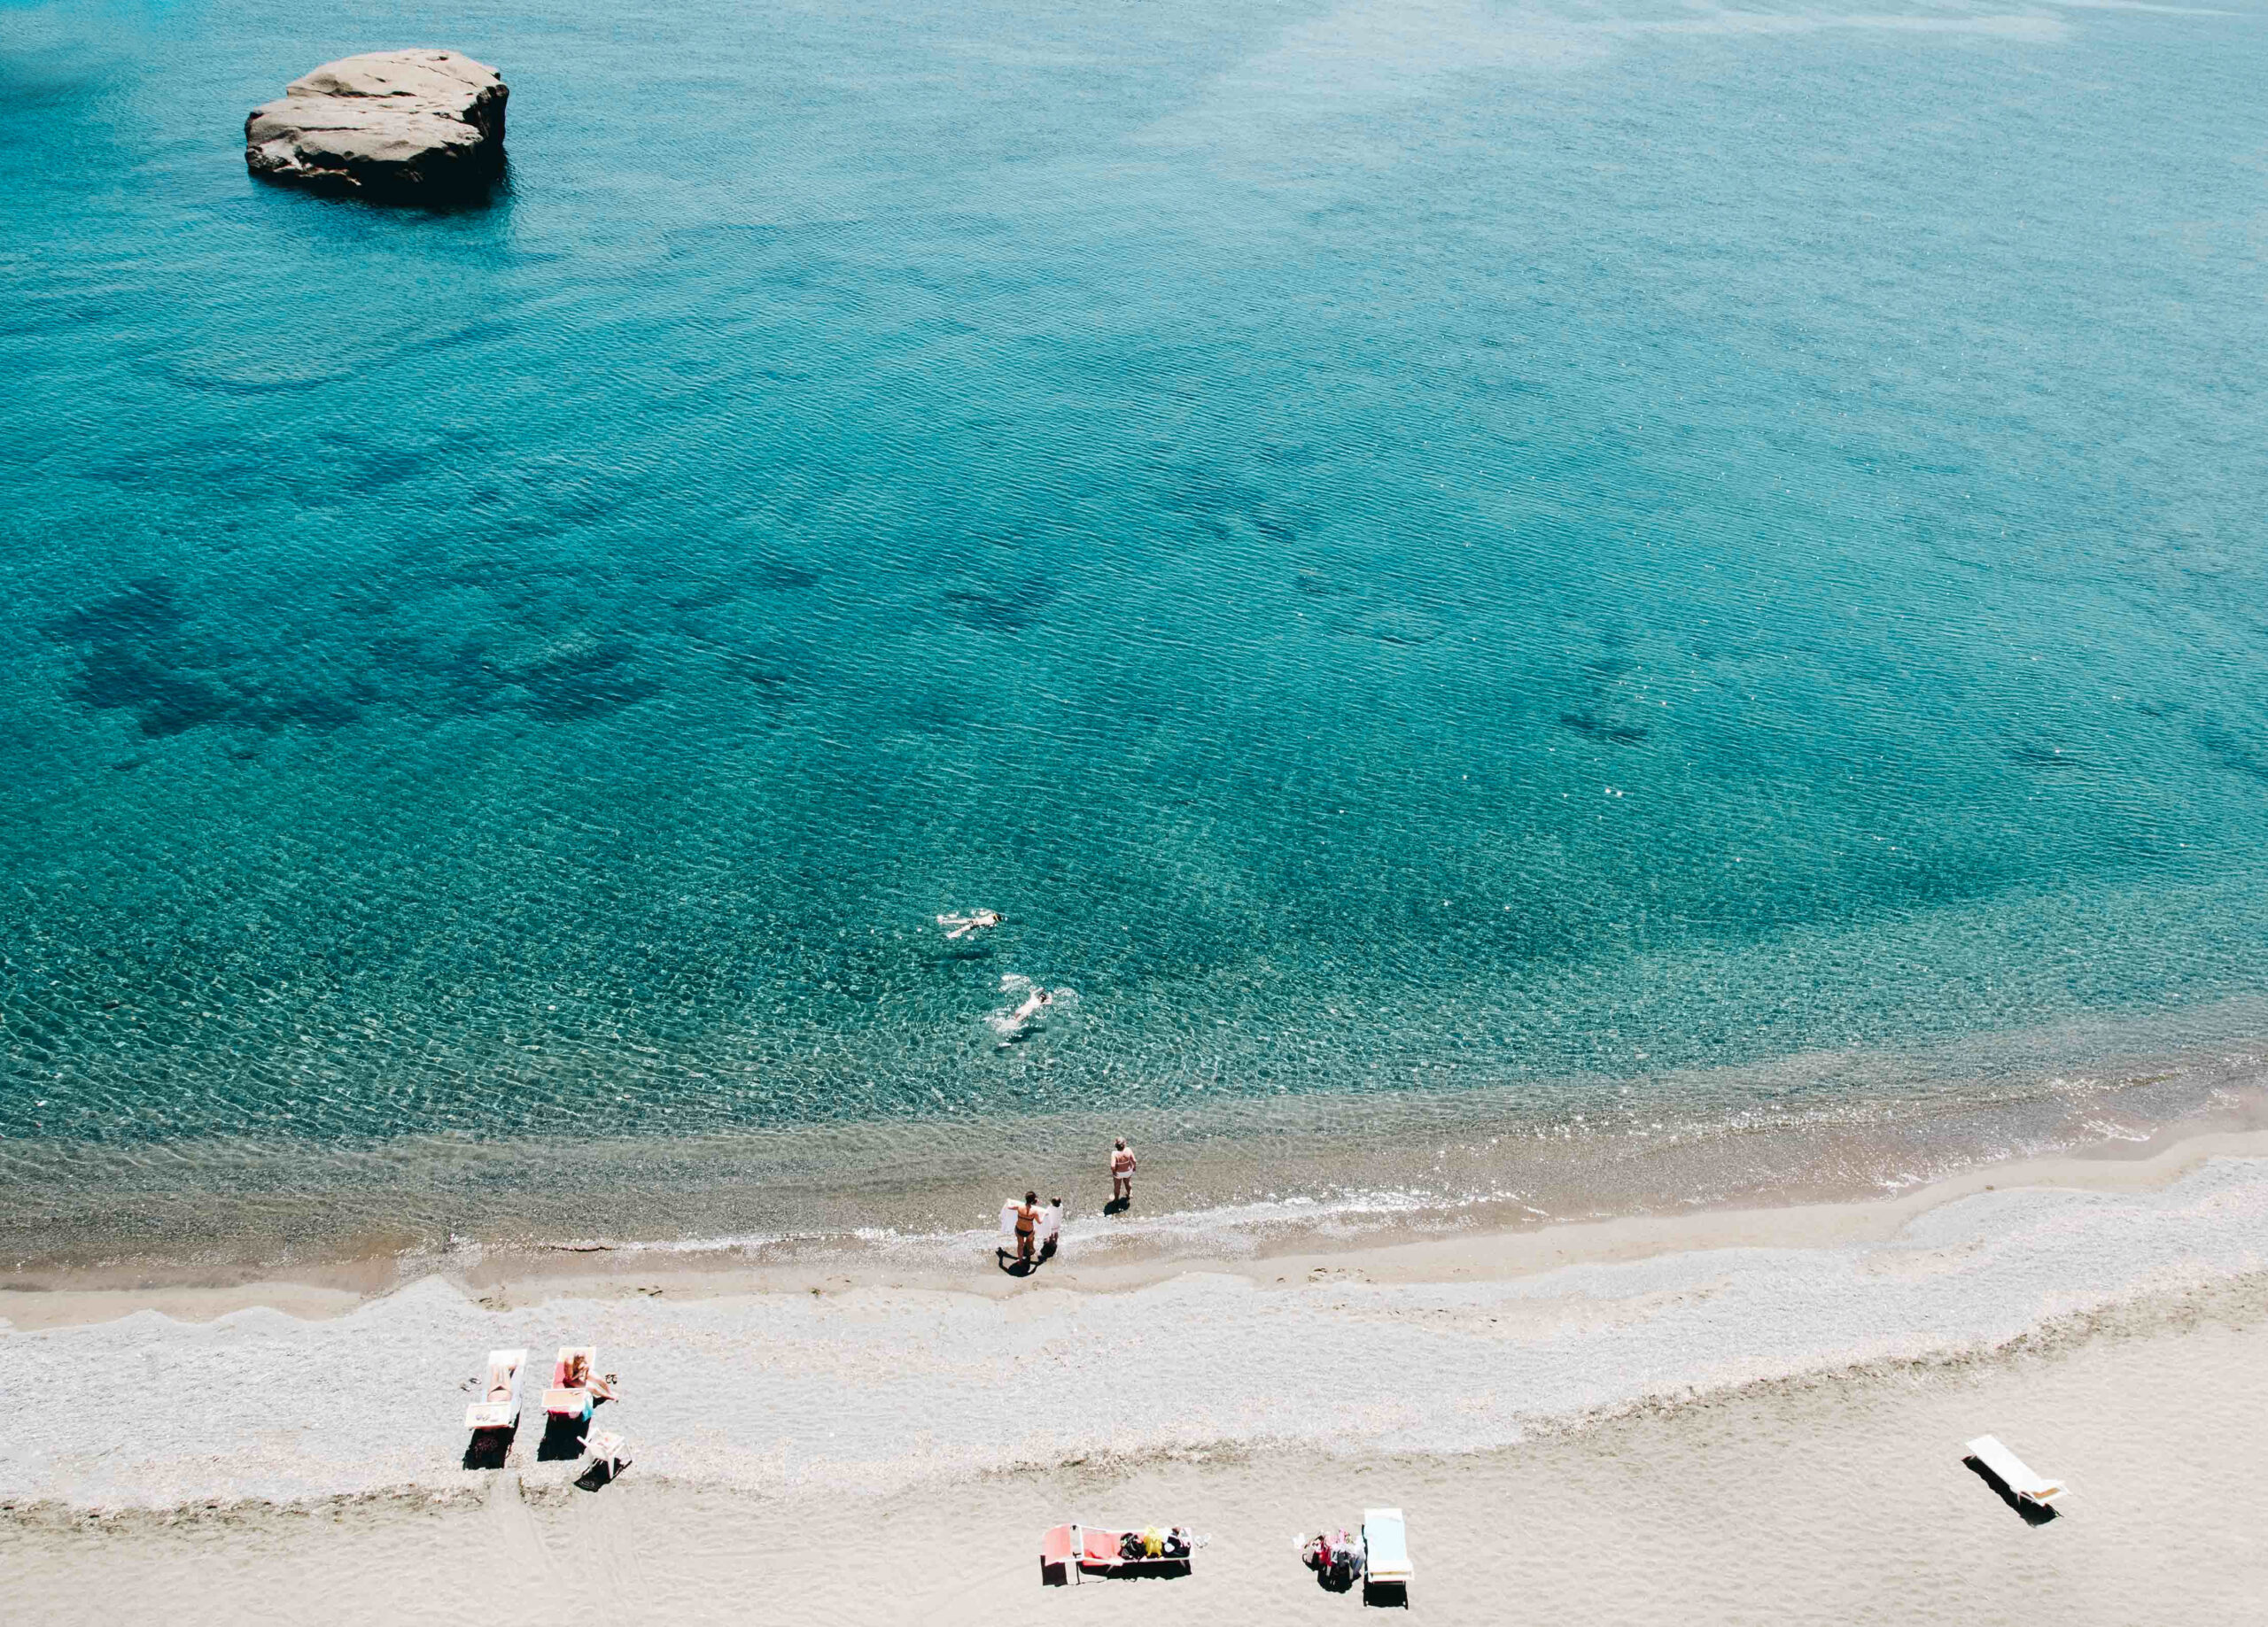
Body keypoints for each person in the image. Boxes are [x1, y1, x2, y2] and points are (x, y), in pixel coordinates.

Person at [936, 909, 1001, 941]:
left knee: (959, 921)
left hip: (974, 920)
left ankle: (944, 921)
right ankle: (951, 935)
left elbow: (982, 913)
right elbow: (987, 926)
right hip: (976, 924)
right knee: (962, 930)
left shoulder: (990, 914)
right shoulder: (992, 922)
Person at [1014, 1190, 1040, 1266]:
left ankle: (1020, 1260)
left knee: (1020, 1245)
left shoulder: (1019, 1207)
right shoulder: (1034, 1211)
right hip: (1029, 1232)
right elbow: (1040, 1222)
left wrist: (1008, 1201)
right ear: (1033, 1201)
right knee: (1034, 1232)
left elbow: (1009, 1207)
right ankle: (1029, 1245)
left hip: (1019, 1230)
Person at [1110, 1137, 1137, 1206]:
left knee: (1117, 1186)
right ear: (1124, 1144)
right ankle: (1129, 1194)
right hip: (1128, 1171)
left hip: (1118, 1173)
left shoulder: (1114, 1153)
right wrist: (1134, 1168)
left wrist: (1113, 1172)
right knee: (1127, 1182)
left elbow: (1113, 1166)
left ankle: (1116, 1200)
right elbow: (1134, 1161)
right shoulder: (1128, 1150)